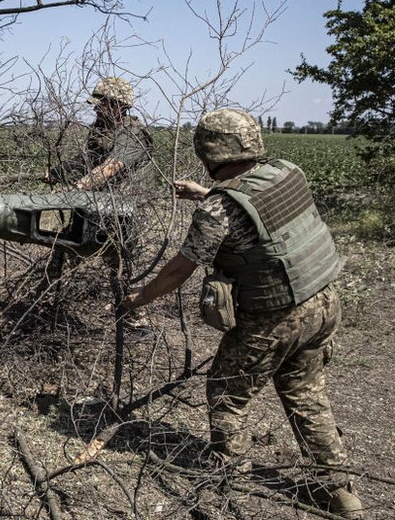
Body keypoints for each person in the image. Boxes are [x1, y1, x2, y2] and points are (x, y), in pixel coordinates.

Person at [121, 108, 362, 518]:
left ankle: (231, 484)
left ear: (210, 152)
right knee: (306, 394)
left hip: (274, 317)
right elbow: (260, 212)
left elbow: (181, 268)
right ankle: (341, 492)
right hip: (323, 301)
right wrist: (207, 193)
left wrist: (139, 298)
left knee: (226, 395)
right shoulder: (287, 171)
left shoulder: (218, 209)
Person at [44, 77, 155, 329]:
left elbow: (110, 167)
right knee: (64, 244)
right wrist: (60, 171)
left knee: (121, 261)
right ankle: (51, 299)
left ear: (118, 106)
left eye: (101, 104)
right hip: (101, 203)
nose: (95, 109)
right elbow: (88, 159)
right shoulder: (101, 129)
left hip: (126, 209)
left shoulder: (132, 133)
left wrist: (77, 188)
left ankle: (136, 320)